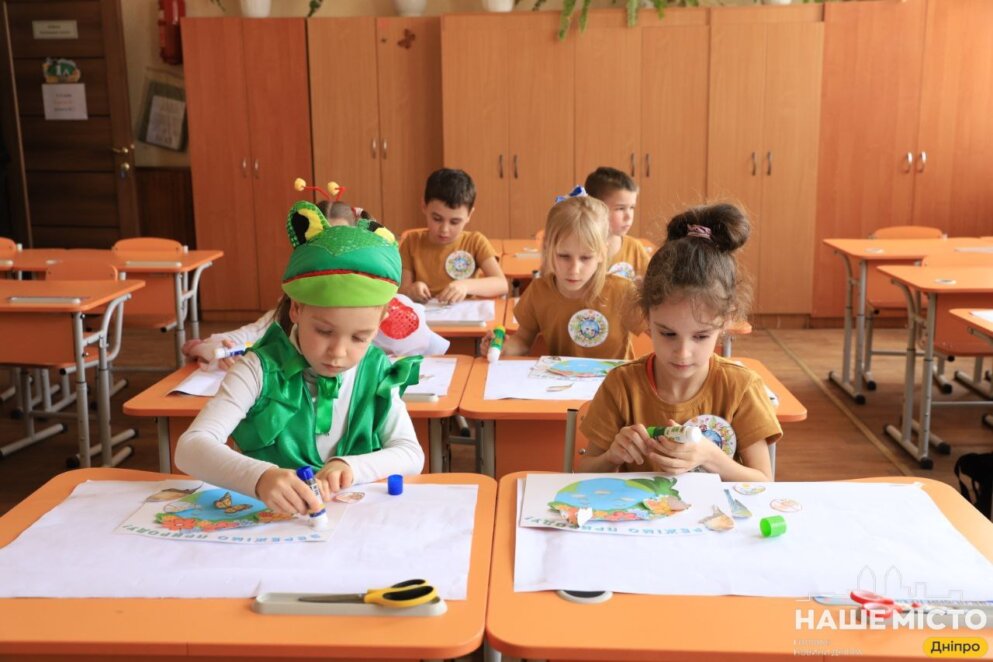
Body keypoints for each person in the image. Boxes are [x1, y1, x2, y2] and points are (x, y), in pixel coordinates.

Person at [175, 200, 424, 514]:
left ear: (380, 322)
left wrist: (350, 466)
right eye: (324, 331)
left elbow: (411, 453)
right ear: (296, 309)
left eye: (360, 338)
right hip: (269, 529)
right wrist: (260, 478)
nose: (338, 352)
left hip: (352, 527)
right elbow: (190, 448)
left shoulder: (376, 370)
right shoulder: (257, 370)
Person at [575, 203, 780, 481]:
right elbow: (584, 473)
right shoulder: (621, 386)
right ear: (646, 316)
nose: (683, 353)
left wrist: (712, 457)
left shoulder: (741, 388)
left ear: (726, 321)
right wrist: (612, 456)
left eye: (701, 336)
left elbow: (764, 483)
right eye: (668, 334)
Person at [183, 197, 448, 369]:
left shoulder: (386, 305)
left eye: (342, 240)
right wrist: (216, 351)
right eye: (322, 244)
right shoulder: (296, 304)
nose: (333, 258)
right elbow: (232, 340)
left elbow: (429, 355)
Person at [488, 192, 644, 360]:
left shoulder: (623, 292)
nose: (574, 270)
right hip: (560, 377)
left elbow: (659, 332)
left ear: (602, 253)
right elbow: (523, 341)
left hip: (615, 377)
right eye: (564, 256)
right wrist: (502, 348)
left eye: (585, 258)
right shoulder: (539, 291)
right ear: (549, 248)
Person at [399, 168, 508, 304]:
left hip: (464, 314)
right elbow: (401, 291)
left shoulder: (475, 242)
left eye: (455, 222)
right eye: (437, 219)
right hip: (424, 314)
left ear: (469, 215)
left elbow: (502, 284)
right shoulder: (411, 242)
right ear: (424, 206)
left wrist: (465, 286)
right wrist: (411, 290)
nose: (444, 230)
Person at [584, 166, 651, 280]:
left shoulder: (635, 249)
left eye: (632, 207)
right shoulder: (579, 249)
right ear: (594, 208)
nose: (629, 216)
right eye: (620, 208)